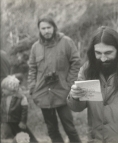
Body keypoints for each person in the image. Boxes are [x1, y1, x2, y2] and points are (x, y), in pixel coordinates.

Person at [28, 15, 81, 143]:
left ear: (54, 27)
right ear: (39, 30)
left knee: (70, 128)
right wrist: (32, 87)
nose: (46, 31)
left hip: (63, 92)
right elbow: (32, 69)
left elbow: (76, 62)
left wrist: (70, 83)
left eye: (49, 27)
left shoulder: (66, 42)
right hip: (43, 94)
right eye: (43, 28)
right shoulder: (36, 47)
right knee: (52, 129)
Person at [1, 75, 38, 143]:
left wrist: (23, 122)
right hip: (7, 122)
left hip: (17, 122)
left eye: (4, 88)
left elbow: (24, 111)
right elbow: (2, 110)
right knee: (11, 136)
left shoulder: (21, 98)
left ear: (11, 89)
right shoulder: (4, 98)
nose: (2, 90)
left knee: (24, 135)